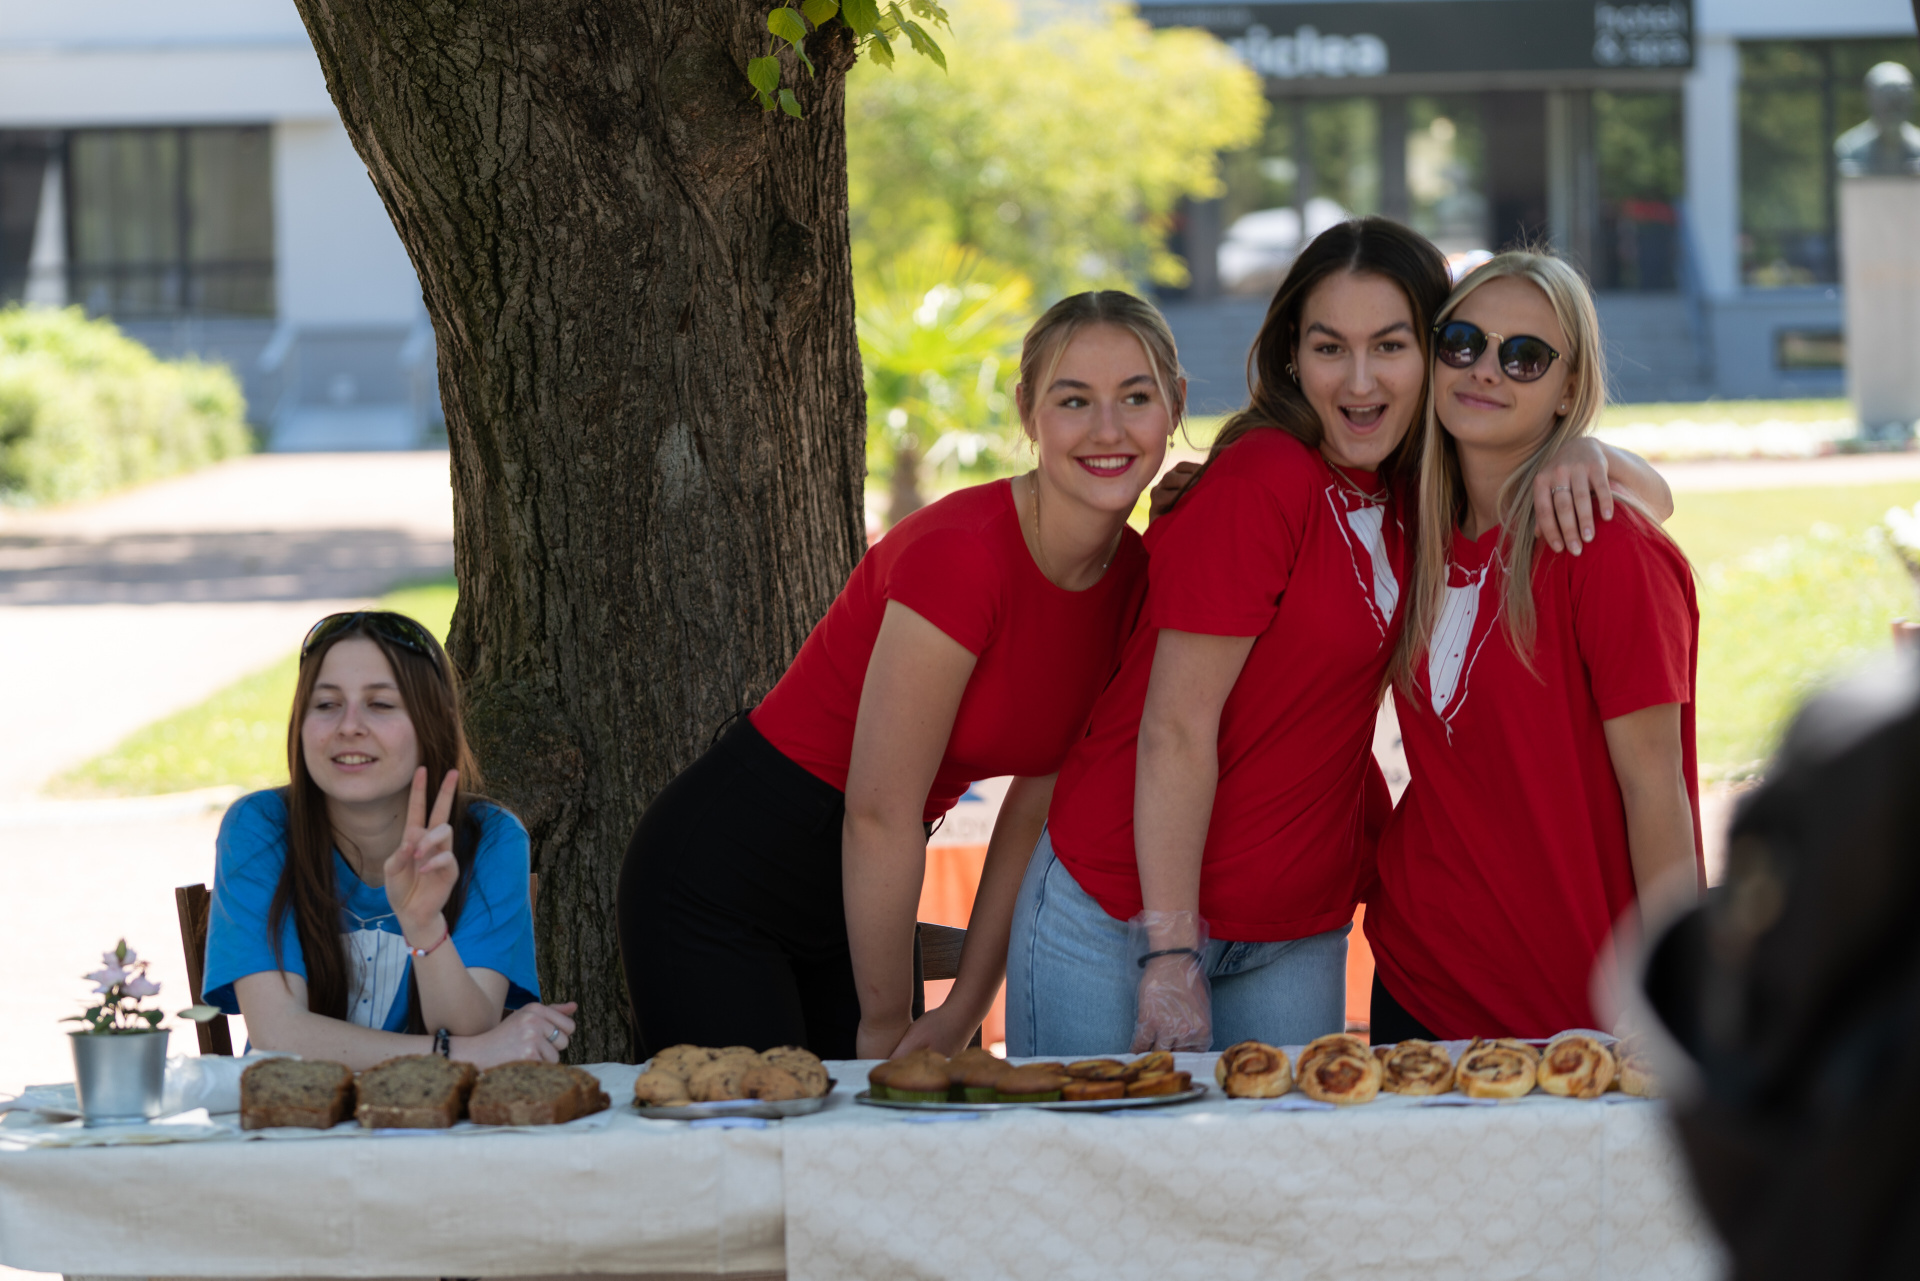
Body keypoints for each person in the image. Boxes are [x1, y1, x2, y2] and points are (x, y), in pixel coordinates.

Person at [1009, 220, 1675, 1056]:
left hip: (1292, 926)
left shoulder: (1416, 494)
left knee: (1291, 1149)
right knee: (1083, 1146)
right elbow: (1174, 727)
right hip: (1127, 912)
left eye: (1390, 345)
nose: (1360, 381)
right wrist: (1170, 952)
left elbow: (1650, 506)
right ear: (1294, 356)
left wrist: (1587, 452)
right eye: (1330, 348)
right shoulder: (1264, 476)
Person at [618, 291, 1188, 1061]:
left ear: (1175, 405)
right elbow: (879, 810)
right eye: (1074, 399)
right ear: (1029, 412)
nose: (1108, 429)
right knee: (763, 1127)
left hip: (867, 892)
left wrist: (963, 1010)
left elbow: (1032, 811)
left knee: (882, 1127)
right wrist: (884, 1024)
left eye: (1136, 397)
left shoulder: (1137, 582)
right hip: (728, 876)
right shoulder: (964, 554)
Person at [1366, 250, 1703, 1042]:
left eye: (1525, 356)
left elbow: (1656, 790)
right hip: (1418, 979)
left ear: (1568, 391)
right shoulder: (1409, 524)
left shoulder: (1608, 550)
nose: (1485, 370)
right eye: (1462, 343)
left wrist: (1675, 998)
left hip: (1575, 1008)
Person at [203, 610, 575, 1069]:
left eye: (380, 704)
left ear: (431, 723)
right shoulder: (259, 826)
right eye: (326, 704)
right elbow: (278, 1035)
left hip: (436, 1113)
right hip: (295, 1110)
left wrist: (424, 926)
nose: (349, 726)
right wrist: (455, 1054)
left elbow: (472, 1030)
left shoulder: (490, 839)